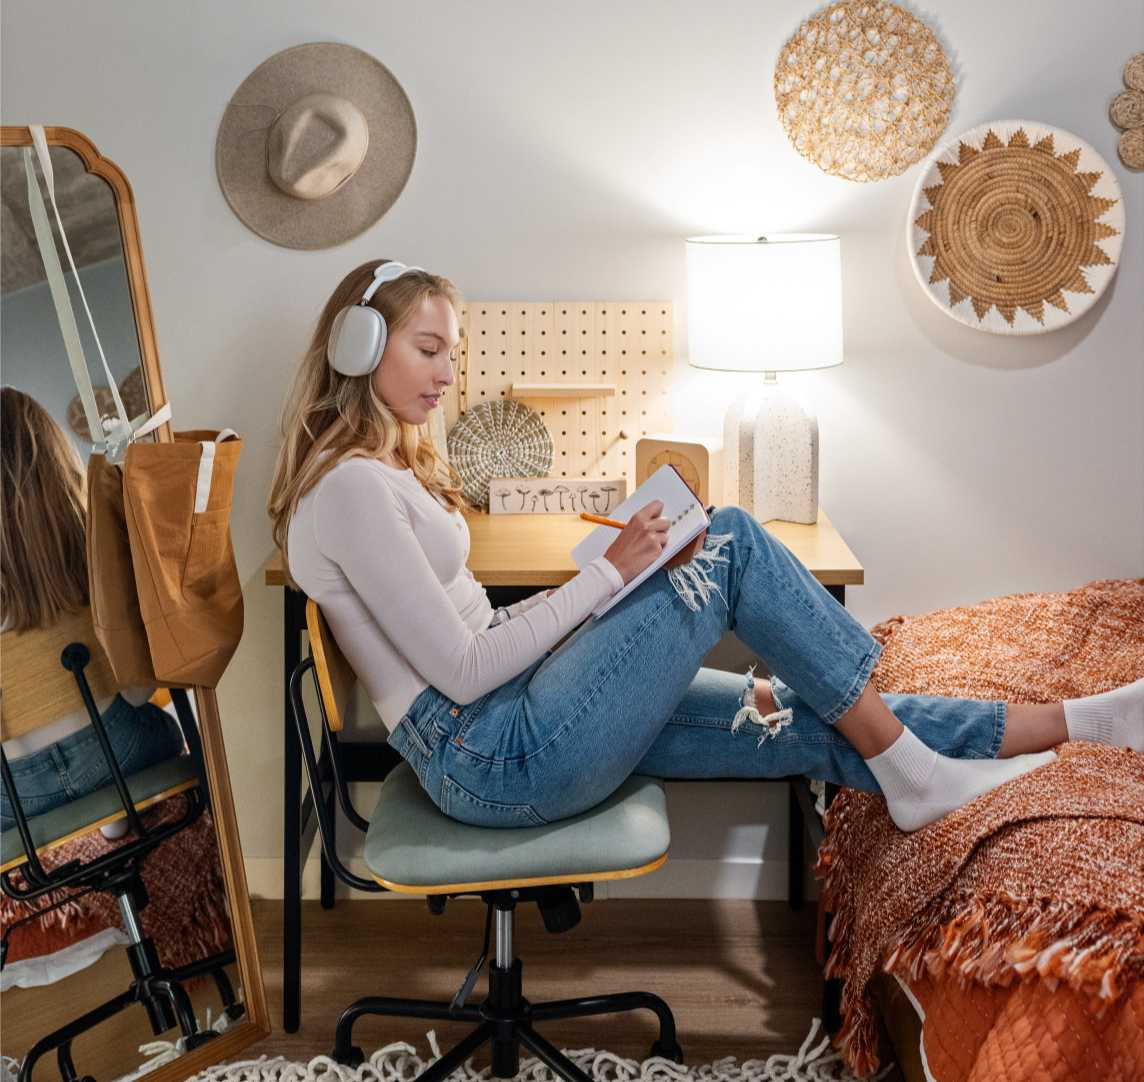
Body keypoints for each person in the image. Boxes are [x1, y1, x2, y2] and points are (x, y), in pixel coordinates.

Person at [268, 261, 1144, 833]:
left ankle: (1073, 724)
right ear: (363, 346)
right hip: (492, 756)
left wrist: (613, 585)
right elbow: (461, 669)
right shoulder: (349, 490)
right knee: (725, 539)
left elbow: (481, 634)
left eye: (452, 354)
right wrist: (608, 576)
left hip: (520, 719)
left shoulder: (380, 473)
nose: (449, 376)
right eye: (430, 350)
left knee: (799, 709)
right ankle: (909, 767)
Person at [0, 387, 184, 835]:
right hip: (117, 752)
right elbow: (139, 692)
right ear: (56, 463)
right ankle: (115, 819)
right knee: (157, 723)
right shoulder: (98, 552)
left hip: (14, 796)